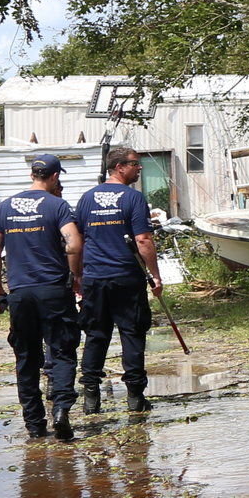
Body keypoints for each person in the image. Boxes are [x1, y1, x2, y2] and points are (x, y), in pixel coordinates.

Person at [0, 153, 83, 440]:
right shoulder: (58, 205)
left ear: (32, 175)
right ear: (55, 177)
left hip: (20, 294)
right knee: (63, 351)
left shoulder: (5, 208)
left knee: (26, 358)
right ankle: (61, 409)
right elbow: (74, 244)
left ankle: (34, 424)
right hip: (54, 291)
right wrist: (75, 277)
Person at [76, 147, 163, 412]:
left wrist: (78, 275)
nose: (140, 168)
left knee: (96, 335)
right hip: (126, 277)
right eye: (135, 164)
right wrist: (155, 275)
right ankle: (135, 397)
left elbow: (76, 241)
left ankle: (91, 398)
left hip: (95, 279)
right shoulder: (133, 198)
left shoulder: (86, 199)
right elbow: (144, 239)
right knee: (132, 334)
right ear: (118, 167)